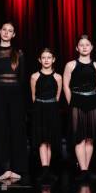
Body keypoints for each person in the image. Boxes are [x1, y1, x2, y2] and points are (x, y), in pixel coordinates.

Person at [0, 22, 28, 182]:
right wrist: (0, 94)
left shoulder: (19, 54)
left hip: (16, 96)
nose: (6, 32)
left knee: (16, 130)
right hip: (0, 96)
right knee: (1, 130)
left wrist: (16, 95)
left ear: (13, 35)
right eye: (4, 29)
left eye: (10, 31)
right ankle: (4, 168)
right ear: (0, 32)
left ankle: (16, 168)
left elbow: (22, 78)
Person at [63, 34, 96, 182]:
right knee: (79, 138)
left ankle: (86, 168)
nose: (84, 47)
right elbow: (66, 85)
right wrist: (71, 102)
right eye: (81, 45)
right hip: (76, 101)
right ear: (77, 48)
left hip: (92, 101)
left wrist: (90, 97)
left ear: (91, 47)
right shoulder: (70, 65)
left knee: (89, 138)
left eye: (87, 45)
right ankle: (83, 170)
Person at [30, 48, 62, 183]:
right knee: (42, 139)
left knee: (49, 139)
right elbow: (33, 96)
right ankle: (44, 169)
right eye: (43, 58)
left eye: (49, 57)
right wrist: (40, 105)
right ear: (39, 60)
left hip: (52, 108)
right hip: (39, 109)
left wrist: (50, 105)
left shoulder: (58, 77)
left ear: (53, 59)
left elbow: (58, 96)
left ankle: (48, 169)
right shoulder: (34, 76)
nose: (46, 60)